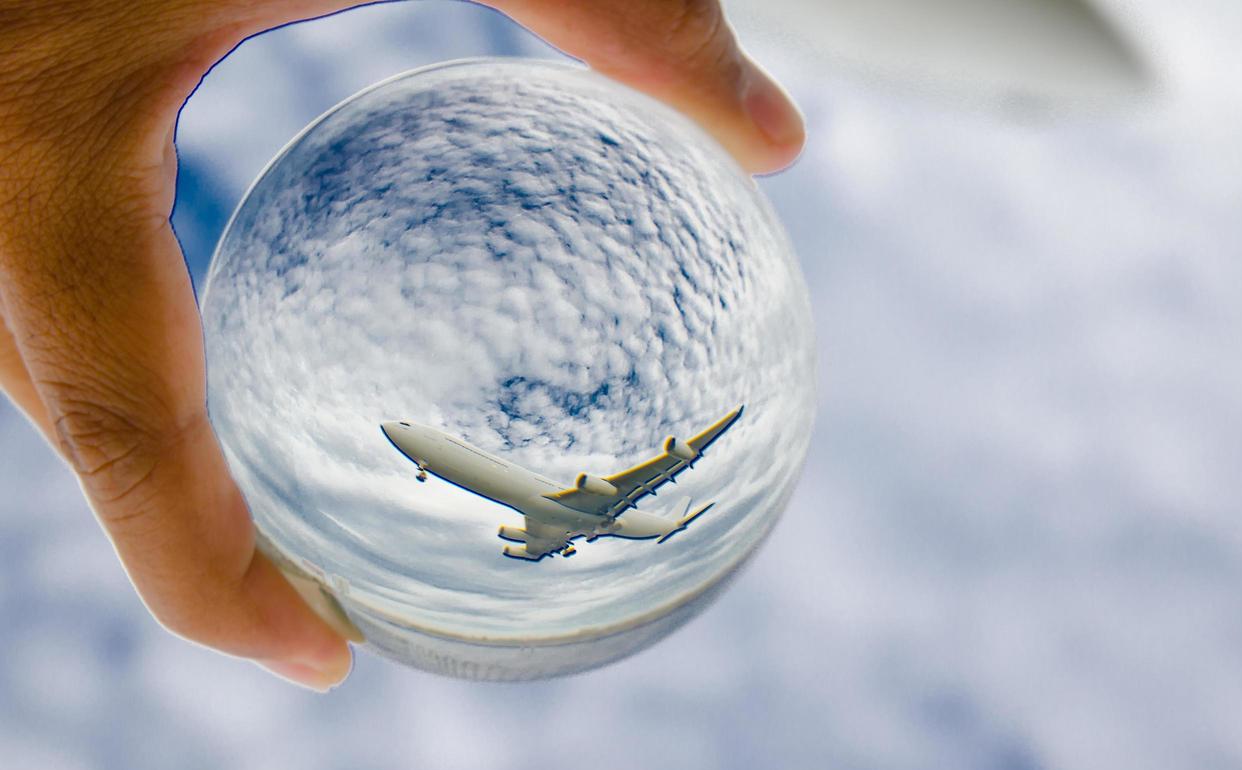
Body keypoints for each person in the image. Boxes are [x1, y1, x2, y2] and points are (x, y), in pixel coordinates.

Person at [0, 0, 805, 691]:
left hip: (609, 511)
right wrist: (539, 538)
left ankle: (673, 477)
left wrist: (650, 474)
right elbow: (532, 556)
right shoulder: (519, 512)